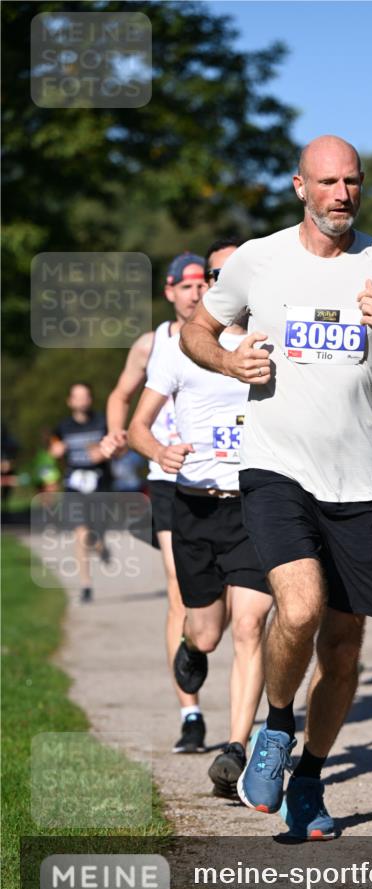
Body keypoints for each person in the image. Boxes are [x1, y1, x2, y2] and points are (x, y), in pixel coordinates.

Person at [180, 134, 372, 840]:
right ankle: (273, 731)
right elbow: (197, 331)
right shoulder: (258, 259)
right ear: (299, 186)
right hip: (276, 466)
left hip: (359, 481)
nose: (342, 195)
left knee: (341, 650)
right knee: (297, 608)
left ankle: (308, 778)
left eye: (353, 182)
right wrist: (227, 360)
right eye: (328, 182)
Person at [127, 302, 273, 798]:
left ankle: (235, 749)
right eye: (219, 275)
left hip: (255, 506)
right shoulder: (177, 349)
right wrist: (158, 452)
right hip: (195, 507)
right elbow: (137, 427)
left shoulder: (268, 343)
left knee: (251, 626)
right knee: (208, 635)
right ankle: (191, 646)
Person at [100, 253, 209, 752]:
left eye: (202, 283)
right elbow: (121, 393)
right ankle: (190, 712)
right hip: (166, 477)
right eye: (185, 286)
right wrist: (116, 433)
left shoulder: (226, 335)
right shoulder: (152, 343)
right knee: (177, 588)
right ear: (169, 292)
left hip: (223, 477)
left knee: (231, 605)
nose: (195, 292)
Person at [50, 383, 111, 603]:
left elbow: (117, 446)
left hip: (100, 483)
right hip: (74, 485)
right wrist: (56, 451)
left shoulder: (102, 422)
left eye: (85, 396)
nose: (81, 401)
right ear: (70, 401)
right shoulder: (63, 426)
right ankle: (86, 585)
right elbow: (53, 446)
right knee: (81, 533)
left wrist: (103, 453)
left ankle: (101, 547)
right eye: (77, 397)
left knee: (94, 535)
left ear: (90, 399)